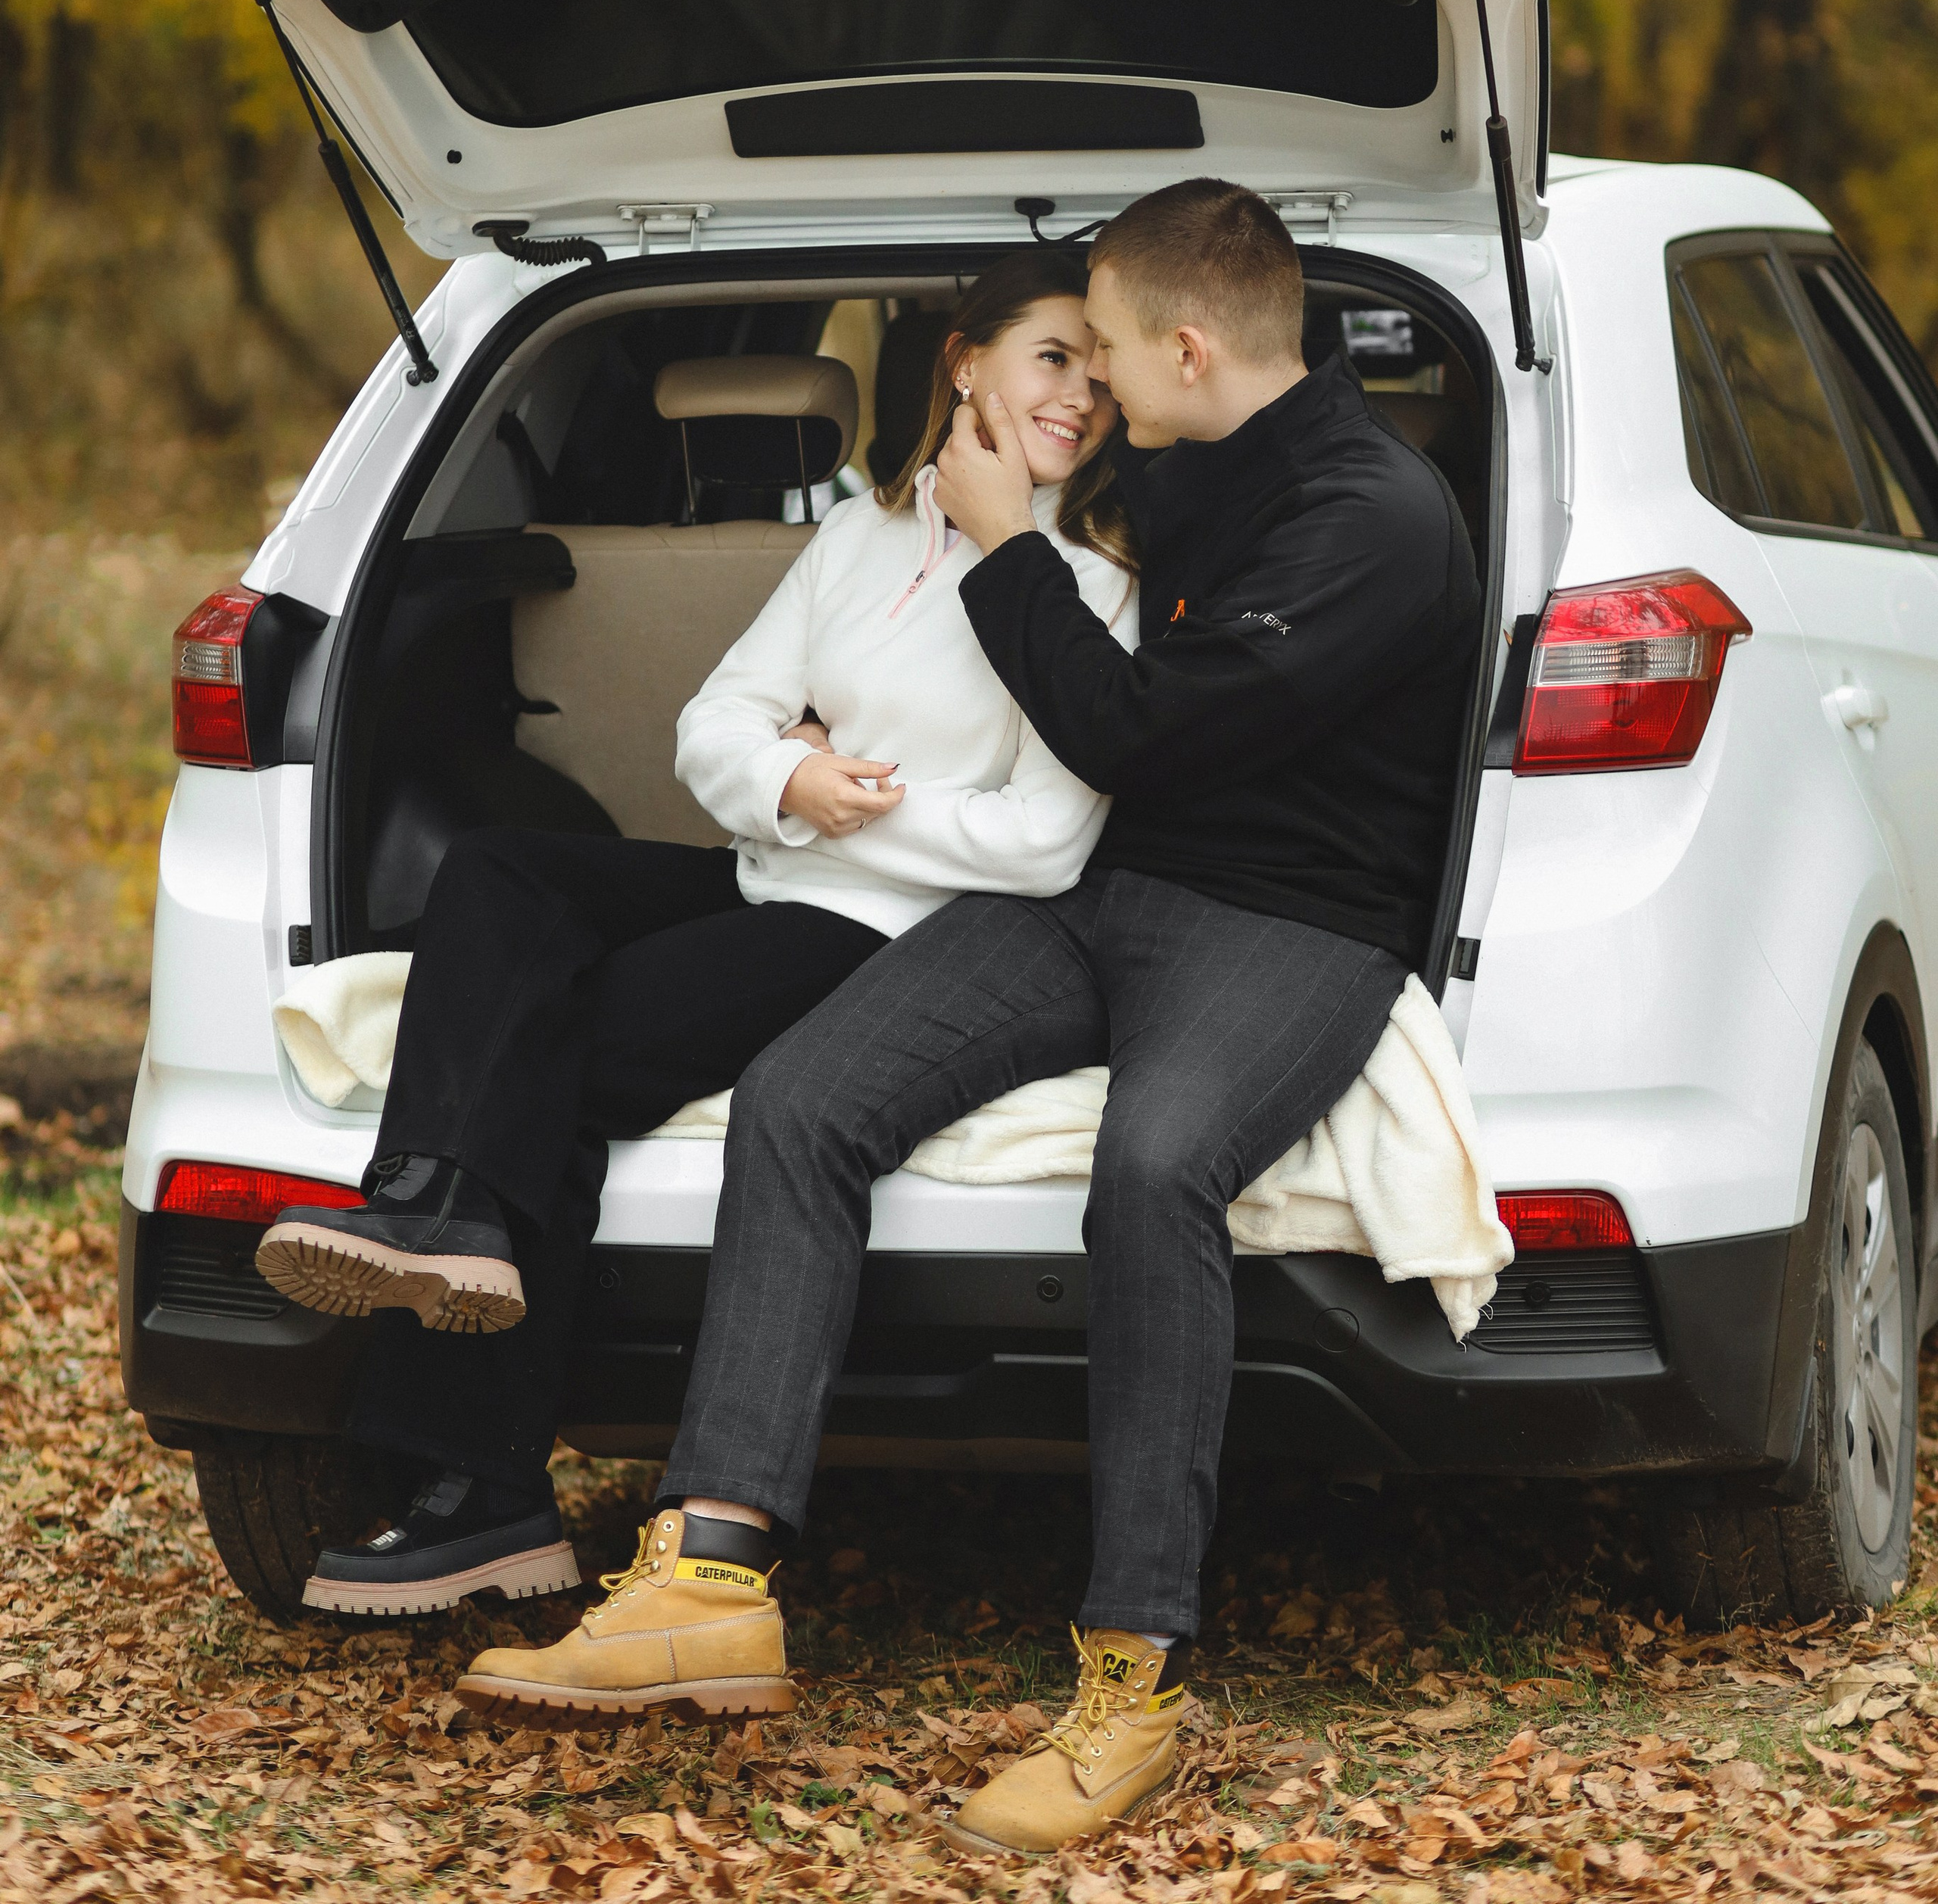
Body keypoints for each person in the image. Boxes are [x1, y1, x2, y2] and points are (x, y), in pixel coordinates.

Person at [453, 179, 1482, 1855]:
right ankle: (709, 1577)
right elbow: (995, 475)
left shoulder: (1374, 517)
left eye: (1110, 353)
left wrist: (1008, 546)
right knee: (801, 1098)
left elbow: (1134, 737)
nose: (1091, 396)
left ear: (1191, 348)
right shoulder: (1176, 454)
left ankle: (1128, 1682)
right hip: (1095, 903)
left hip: (1287, 926)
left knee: (1150, 1167)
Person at [255, 248, 1136, 1617]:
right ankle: (444, 1206)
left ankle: (478, 1482)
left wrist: (836, 801)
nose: (1080, 396)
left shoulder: (1091, 586)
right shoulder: (853, 543)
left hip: (887, 936)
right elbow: (706, 728)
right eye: (1053, 357)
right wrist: (784, 779)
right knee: (495, 877)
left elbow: (1046, 844)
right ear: (966, 363)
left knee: (555, 1048)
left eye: (1101, 372)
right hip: (762, 872)